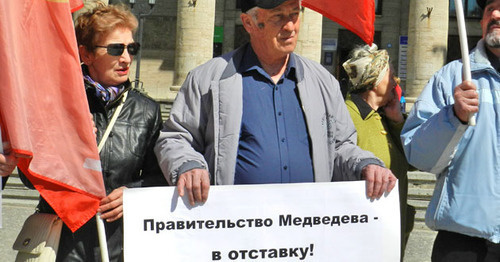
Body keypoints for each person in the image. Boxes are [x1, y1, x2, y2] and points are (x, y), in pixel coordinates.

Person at [154, 0, 397, 207]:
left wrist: (366, 164)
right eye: (278, 17)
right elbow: (176, 137)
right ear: (249, 23)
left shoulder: (323, 81)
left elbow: (341, 146)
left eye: (294, 14)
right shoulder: (208, 79)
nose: (290, 26)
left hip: (305, 228)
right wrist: (188, 165)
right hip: (235, 228)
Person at [20, 4, 166, 262]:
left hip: (120, 248)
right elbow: (29, 177)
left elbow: (159, 177)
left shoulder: (147, 111)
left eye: (131, 48)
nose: (126, 58)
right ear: (85, 54)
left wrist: (134, 193)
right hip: (61, 246)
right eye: (115, 49)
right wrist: (63, 143)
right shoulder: (57, 103)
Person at [401, 0, 500, 260]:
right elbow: (418, 155)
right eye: (490, 9)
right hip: (462, 241)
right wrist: (453, 117)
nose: (495, 14)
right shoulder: (451, 78)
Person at [342, 44, 414, 260]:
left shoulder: (383, 115)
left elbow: (414, 161)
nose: (396, 81)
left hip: (391, 231)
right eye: (390, 75)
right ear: (375, 80)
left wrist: (397, 121)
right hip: (362, 235)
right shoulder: (347, 115)